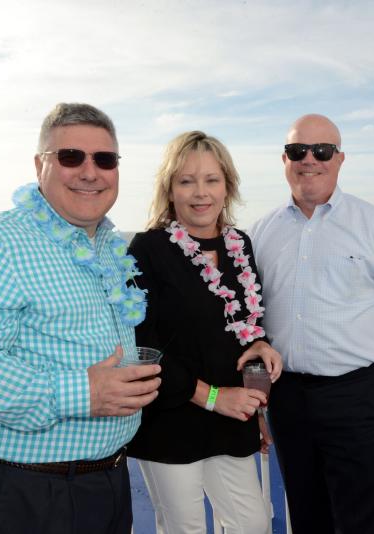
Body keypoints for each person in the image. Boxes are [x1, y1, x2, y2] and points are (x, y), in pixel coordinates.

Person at [0, 103, 161, 534]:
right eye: (71, 157)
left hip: (107, 478)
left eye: (105, 159)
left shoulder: (108, 245)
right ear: (39, 165)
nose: (90, 172)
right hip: (29, 489)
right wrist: (80, 393)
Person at [249, 114, 374, 533]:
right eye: (298, 151)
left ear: (340, 158)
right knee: (306, 510)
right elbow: (252, 323)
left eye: (322, 151)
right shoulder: (260, 232)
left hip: (357, 393)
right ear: (284, 159)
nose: (309, 160)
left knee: (365, 518)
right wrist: (259, 396)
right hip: (288, 397)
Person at [127, 130, 281, 534]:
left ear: (227, 186)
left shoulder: (239, 246)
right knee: (185, 529)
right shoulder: (148, 250)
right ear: (170, 189)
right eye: (186, 181)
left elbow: (244, 330)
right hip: (172, 419)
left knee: (253, 524)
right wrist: (214, 397)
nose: (200, 193)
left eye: (211, 179)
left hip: (232, 419)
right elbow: (143, 346)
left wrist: (257, 403)